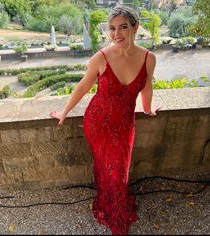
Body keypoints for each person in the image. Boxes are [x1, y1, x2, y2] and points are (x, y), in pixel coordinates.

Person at [50, 5, 161, 235]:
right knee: (107, 168)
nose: (116, 34)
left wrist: (148, 110)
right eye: (111, 28)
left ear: (135, 27)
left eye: (122, 27)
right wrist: (64, 112)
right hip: (97, 123)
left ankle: (110, 204)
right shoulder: (100, 58)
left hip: (124, 125)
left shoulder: (149, 58)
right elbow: (82, 87)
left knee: (119, 172)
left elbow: (146, 88)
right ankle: (116, 219)